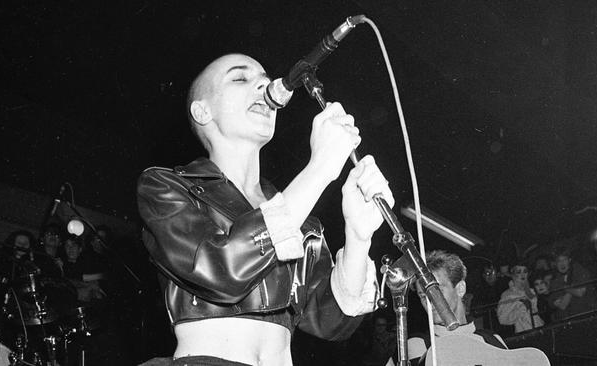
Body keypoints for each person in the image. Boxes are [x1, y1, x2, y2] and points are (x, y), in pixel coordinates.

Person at [137, 53, 392, 366]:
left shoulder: (298, 215)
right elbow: (219, 269)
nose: (263, 83)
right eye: (240, 78)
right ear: (203, 111)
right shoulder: (165, 186)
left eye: (264, 77)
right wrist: (320, 168)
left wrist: (358, 235)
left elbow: (330, 321)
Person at [386, 250, 506, 366]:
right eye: (423, 296)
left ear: (460, 289)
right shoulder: (420, 345)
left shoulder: (491, 339)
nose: (430, 301)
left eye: (436, 291)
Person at [548, 247, 597, 321]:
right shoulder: (554, 281)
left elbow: (580, 292)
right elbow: (562, 306)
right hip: (567, 321)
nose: (562, 263)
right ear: (555, 264)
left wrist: (565, 289)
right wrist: (571, 290)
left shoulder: (579, 271)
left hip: (586, 316)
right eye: (558, 261)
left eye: (564, 260)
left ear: (569, 260)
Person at [496, 262, 544, 333]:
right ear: (512, 274)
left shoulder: (531, 291)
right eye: (518, 272)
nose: (522, 274)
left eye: (525, 271)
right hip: (523, 333)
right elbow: (502, 319)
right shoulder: (507, 295)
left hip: (539, 329)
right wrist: (523, 307)